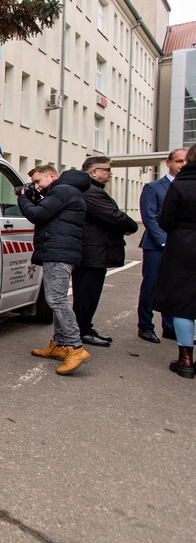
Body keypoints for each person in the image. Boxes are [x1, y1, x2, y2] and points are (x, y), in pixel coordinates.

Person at [19, 165, 91, 375]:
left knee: (56, 300)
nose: (37, 186)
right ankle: (59, 344)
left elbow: (37, 215)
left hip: (58, 253)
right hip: (58, 251)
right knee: (56, 298)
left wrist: (23, 198)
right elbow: (47, 212)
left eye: (38, 182)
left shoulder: (63, 190)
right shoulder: (65, 192)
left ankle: (75, 347)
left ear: (52, 176)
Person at [72, 156, 138, 347]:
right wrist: (130, 226)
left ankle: (84, 328)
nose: (110, 173)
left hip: (94, 250)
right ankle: (82, 331)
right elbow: (114, 217)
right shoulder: (91, 192)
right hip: (93, 252)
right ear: (93, 172)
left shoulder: (91, 190)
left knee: (87, 293)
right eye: (107, 170)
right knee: (87, 293)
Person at [153, 143, 196, 379]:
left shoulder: (180, 184)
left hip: (183, 246)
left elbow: (165, 220)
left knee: (183, 304)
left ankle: (185, 359)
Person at [137, 148, 188, 343]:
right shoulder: (154, 187)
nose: (182, 165)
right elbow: (149, 217)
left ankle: (169, 327)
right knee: (151, 286)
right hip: (157, 246)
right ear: (168, 163)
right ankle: (145, 326)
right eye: (178, 161)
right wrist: (165, 241)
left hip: (181, 247)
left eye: (185, 162)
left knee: (174, 288)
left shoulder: (189, 186)